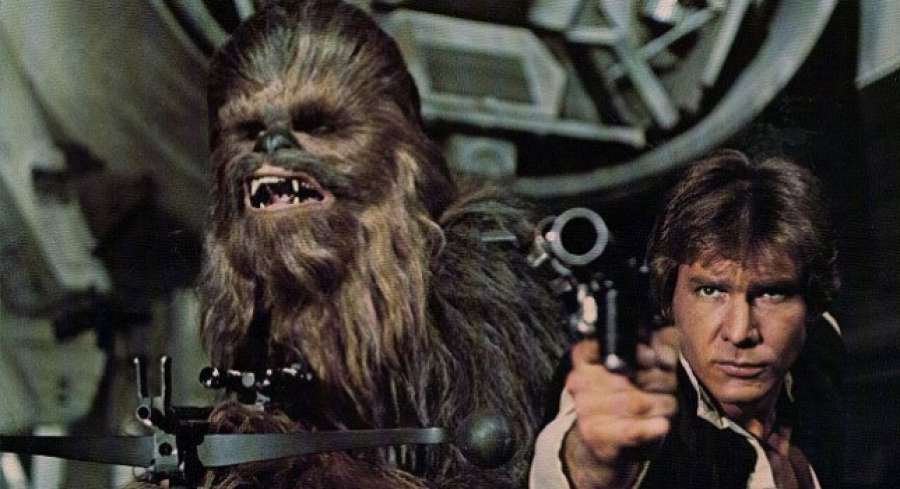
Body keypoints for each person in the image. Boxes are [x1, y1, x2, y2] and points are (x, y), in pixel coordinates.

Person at [530, 149, 844, 489]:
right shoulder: (634, 370)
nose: (740, 332)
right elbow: (577, 464)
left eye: (771, 294)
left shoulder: (823, 351)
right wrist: (597, 457)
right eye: (710, 291)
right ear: (669, 297)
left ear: (810, 308)